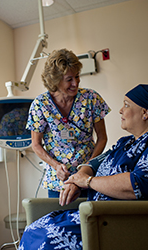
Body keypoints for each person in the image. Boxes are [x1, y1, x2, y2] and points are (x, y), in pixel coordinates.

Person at [18, 84, 148, 250]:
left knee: (46, 240)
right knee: (34, 230)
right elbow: (94, 163)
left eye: (126, 105)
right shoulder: (126, 142)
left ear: (145, 112)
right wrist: (76, 180)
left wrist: (88, 181)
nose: (120, 110)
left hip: (129, 222)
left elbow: (138, 186)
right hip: (104, 216)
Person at [26, 48, 111, 198]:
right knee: (60, 219)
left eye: (77, 77)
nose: (76, 83)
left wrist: (87, 167)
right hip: (59, 180)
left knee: (90, 218)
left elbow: (102, 138)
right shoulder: (40, 105)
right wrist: (56, 166)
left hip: (88, 178)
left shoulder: (91, 98)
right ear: (55, 81)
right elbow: (36, 144)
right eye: (69, 79)